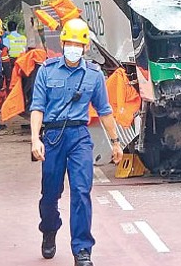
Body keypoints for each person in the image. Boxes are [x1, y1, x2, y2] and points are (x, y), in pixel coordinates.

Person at [30, 18, 123, 265]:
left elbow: (104, 110)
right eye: (69, 42)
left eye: (77, 44)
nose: (73, 47)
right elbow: (37, 107)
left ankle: (82, 250)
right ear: (62, 44)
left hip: (79, 137)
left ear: (85, 47)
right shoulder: (46, 71)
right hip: (52, 137)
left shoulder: (94, 75)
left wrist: (115, 142)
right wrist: (34, 140)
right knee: (50, 194)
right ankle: (49, 230)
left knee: (82, 191)